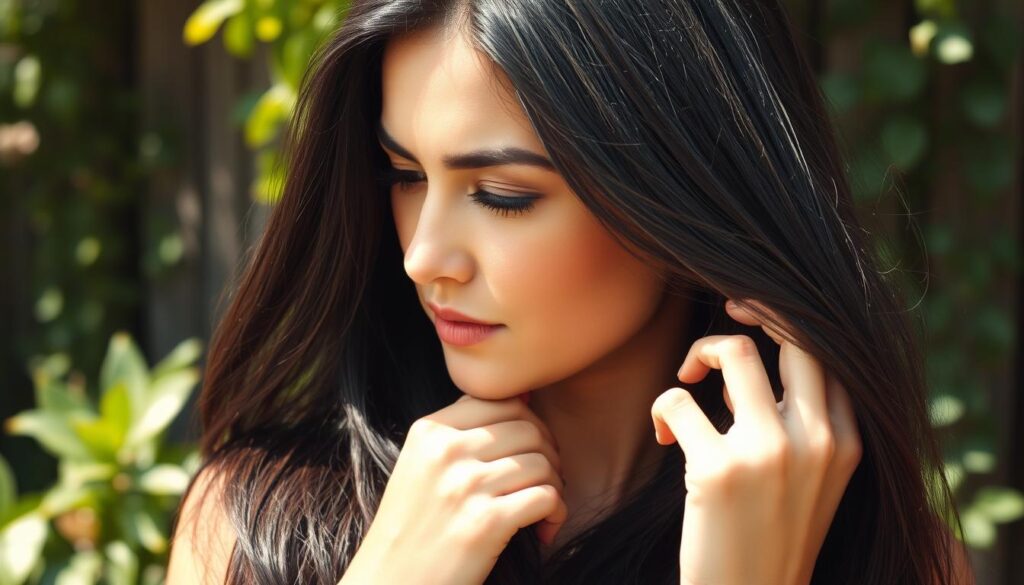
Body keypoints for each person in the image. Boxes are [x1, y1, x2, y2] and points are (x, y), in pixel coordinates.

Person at [166, 0, 976, 583]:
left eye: (503, 194)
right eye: (405, 175)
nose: (422, 256)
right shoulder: (259, 524)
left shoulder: (890, 556)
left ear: (681, 197)